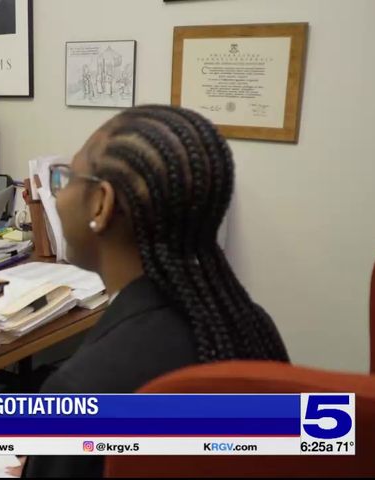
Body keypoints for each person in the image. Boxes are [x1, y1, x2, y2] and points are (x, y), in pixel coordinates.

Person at [21, 105, 290, 477]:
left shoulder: (81, 390)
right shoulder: (250, 324)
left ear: (101, 203)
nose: (60, 195)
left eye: (66, 179)